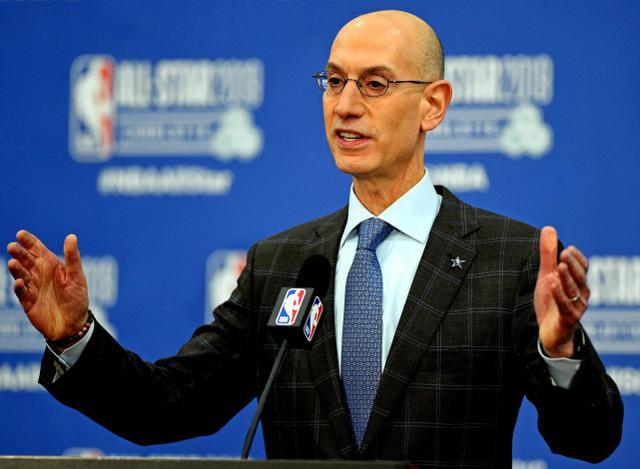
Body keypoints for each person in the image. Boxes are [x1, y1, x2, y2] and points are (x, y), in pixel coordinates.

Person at [6, 10, 622, 467]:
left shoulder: (506, 259)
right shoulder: (282, 264)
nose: (345, 105)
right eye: (333, 81)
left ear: (433, 105)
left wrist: (560, 351)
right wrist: (75, 336)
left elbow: (591, 440)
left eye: (375, 84)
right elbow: (169, 405)